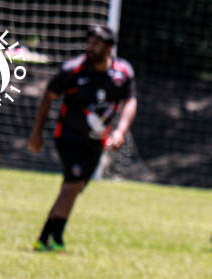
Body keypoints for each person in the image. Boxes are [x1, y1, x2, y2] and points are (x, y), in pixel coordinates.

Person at [27, 24, 137, 252]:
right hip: (69, 137)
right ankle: (48, 238)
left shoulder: (122, 73)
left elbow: (130, 101)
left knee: (74, 188)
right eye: (89, 42)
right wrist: (37, 133)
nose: (90, 47)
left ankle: (52, 238)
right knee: (73, 185)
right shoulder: (73, 70)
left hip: (96, 141)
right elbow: (48, 97)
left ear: (108, 48)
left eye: (96, 44)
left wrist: (120, 131)